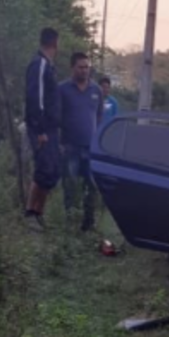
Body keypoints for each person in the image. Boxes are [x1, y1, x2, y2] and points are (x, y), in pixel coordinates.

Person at [59, 52, 103, 231]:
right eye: (81, 67)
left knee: (91, 186)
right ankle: (70, 223)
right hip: (69, 146)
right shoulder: (62, 89)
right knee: (70, 186)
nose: (85, 70)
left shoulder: (96, 90)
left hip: (90, 148)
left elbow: (99, 116)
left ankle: (88, 224)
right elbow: (56, 117)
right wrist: (59, 143)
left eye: (87, 67)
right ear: (72, 68)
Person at [24, 27, 61, 230]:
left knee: (53, 172)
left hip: (52, 130)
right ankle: (30, 213)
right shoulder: (39, 64)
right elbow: (34, 99)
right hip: (42, 129)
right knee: (44, 169)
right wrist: (39, 131)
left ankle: (39, 214)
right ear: (55, 42)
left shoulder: (49, 66)